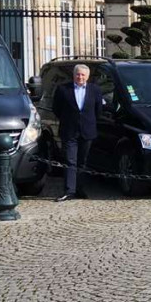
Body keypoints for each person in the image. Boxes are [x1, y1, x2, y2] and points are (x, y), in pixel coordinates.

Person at [52, 62, 104, 202]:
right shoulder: (63, 89)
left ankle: (80, 188)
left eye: (82, 74)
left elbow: (98, 110)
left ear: (87, 76)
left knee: (83, 161)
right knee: (70, 160)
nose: (80, 77)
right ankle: (69, 190)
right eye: (77, 74)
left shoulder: (95, 90)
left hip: (87, 130)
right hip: (69, 130)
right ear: (73, 75)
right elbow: (56, 109)